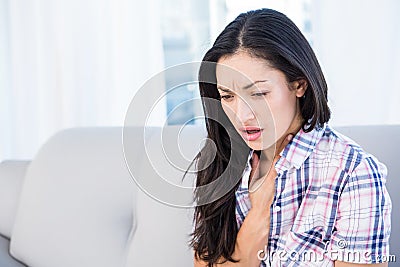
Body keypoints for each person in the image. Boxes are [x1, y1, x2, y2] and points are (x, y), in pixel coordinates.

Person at [190, 8, 391, 267]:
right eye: (227, 96)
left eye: (259, 93)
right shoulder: (221, 160)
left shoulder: (354, 173)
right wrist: (258, 214)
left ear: (299, 85)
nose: (242, 115)